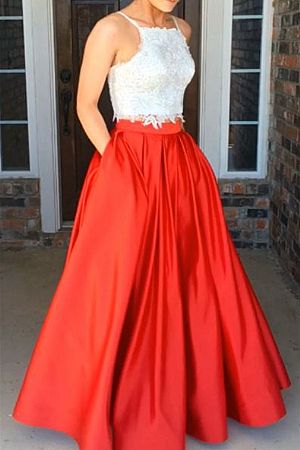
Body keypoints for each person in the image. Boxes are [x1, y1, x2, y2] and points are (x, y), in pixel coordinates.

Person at [11, 1, 291, 450]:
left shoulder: (182, 30)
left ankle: (195, 393)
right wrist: (119, 169)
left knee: (195, 274)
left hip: (180, 162)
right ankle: (107, 398)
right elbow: (86, 107)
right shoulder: (110, 29)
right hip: (130, 162)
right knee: (119, 279)